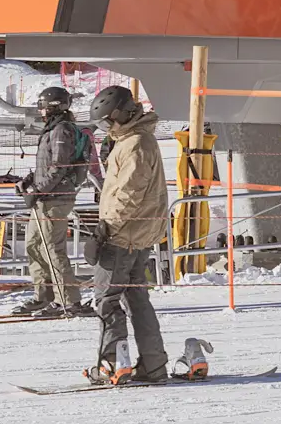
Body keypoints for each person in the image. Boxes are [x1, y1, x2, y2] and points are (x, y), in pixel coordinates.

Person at [86, 84, 171, 385]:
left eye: (108, 121)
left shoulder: (134, 143)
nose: (106, 128)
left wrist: (104, 231)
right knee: (136, 298)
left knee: (107, 301)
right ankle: (153, 364)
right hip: (138, 234)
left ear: (121, 114)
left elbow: (128, 193)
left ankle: (112, 363)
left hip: (123, 235)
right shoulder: (136, 139)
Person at [14, 85, 90, 318]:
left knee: (52, 249)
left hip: (56, 198)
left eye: (43, 106)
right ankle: (45, 295)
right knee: (34, 245)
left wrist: (37, 189)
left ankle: (68, 301)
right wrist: (28, 181)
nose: (41, 111)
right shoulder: (52, 129)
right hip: (45, 196)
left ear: (54, 107)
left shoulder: (62, 130)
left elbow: (60, 167)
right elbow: (47, 165)